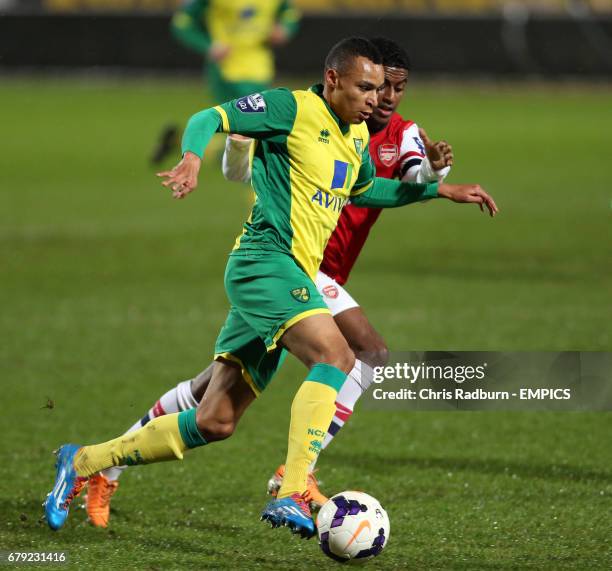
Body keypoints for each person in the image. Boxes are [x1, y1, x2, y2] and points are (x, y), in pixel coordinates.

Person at [45, 37, 497, 540]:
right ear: (333, 80)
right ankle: (293, 489)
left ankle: (87, 460)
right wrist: (193, 158)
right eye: (365, 87)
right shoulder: (292, 107)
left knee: (216, 419)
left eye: (381, 89)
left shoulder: (353, 136)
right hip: (264, 263)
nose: (376, 98)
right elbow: (207, 118)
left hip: (293, 276)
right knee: (339, 356)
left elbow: (368, 189)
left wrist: (437, 189)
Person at [151, 0, 300, 164]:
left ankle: (182, 142)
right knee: (253, 134)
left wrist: (285, 29)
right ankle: (256, 186)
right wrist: (208, 46)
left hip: (260, 69)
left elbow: (290, 13)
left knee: (249, 135)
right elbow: (182, 23)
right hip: (228, 70)